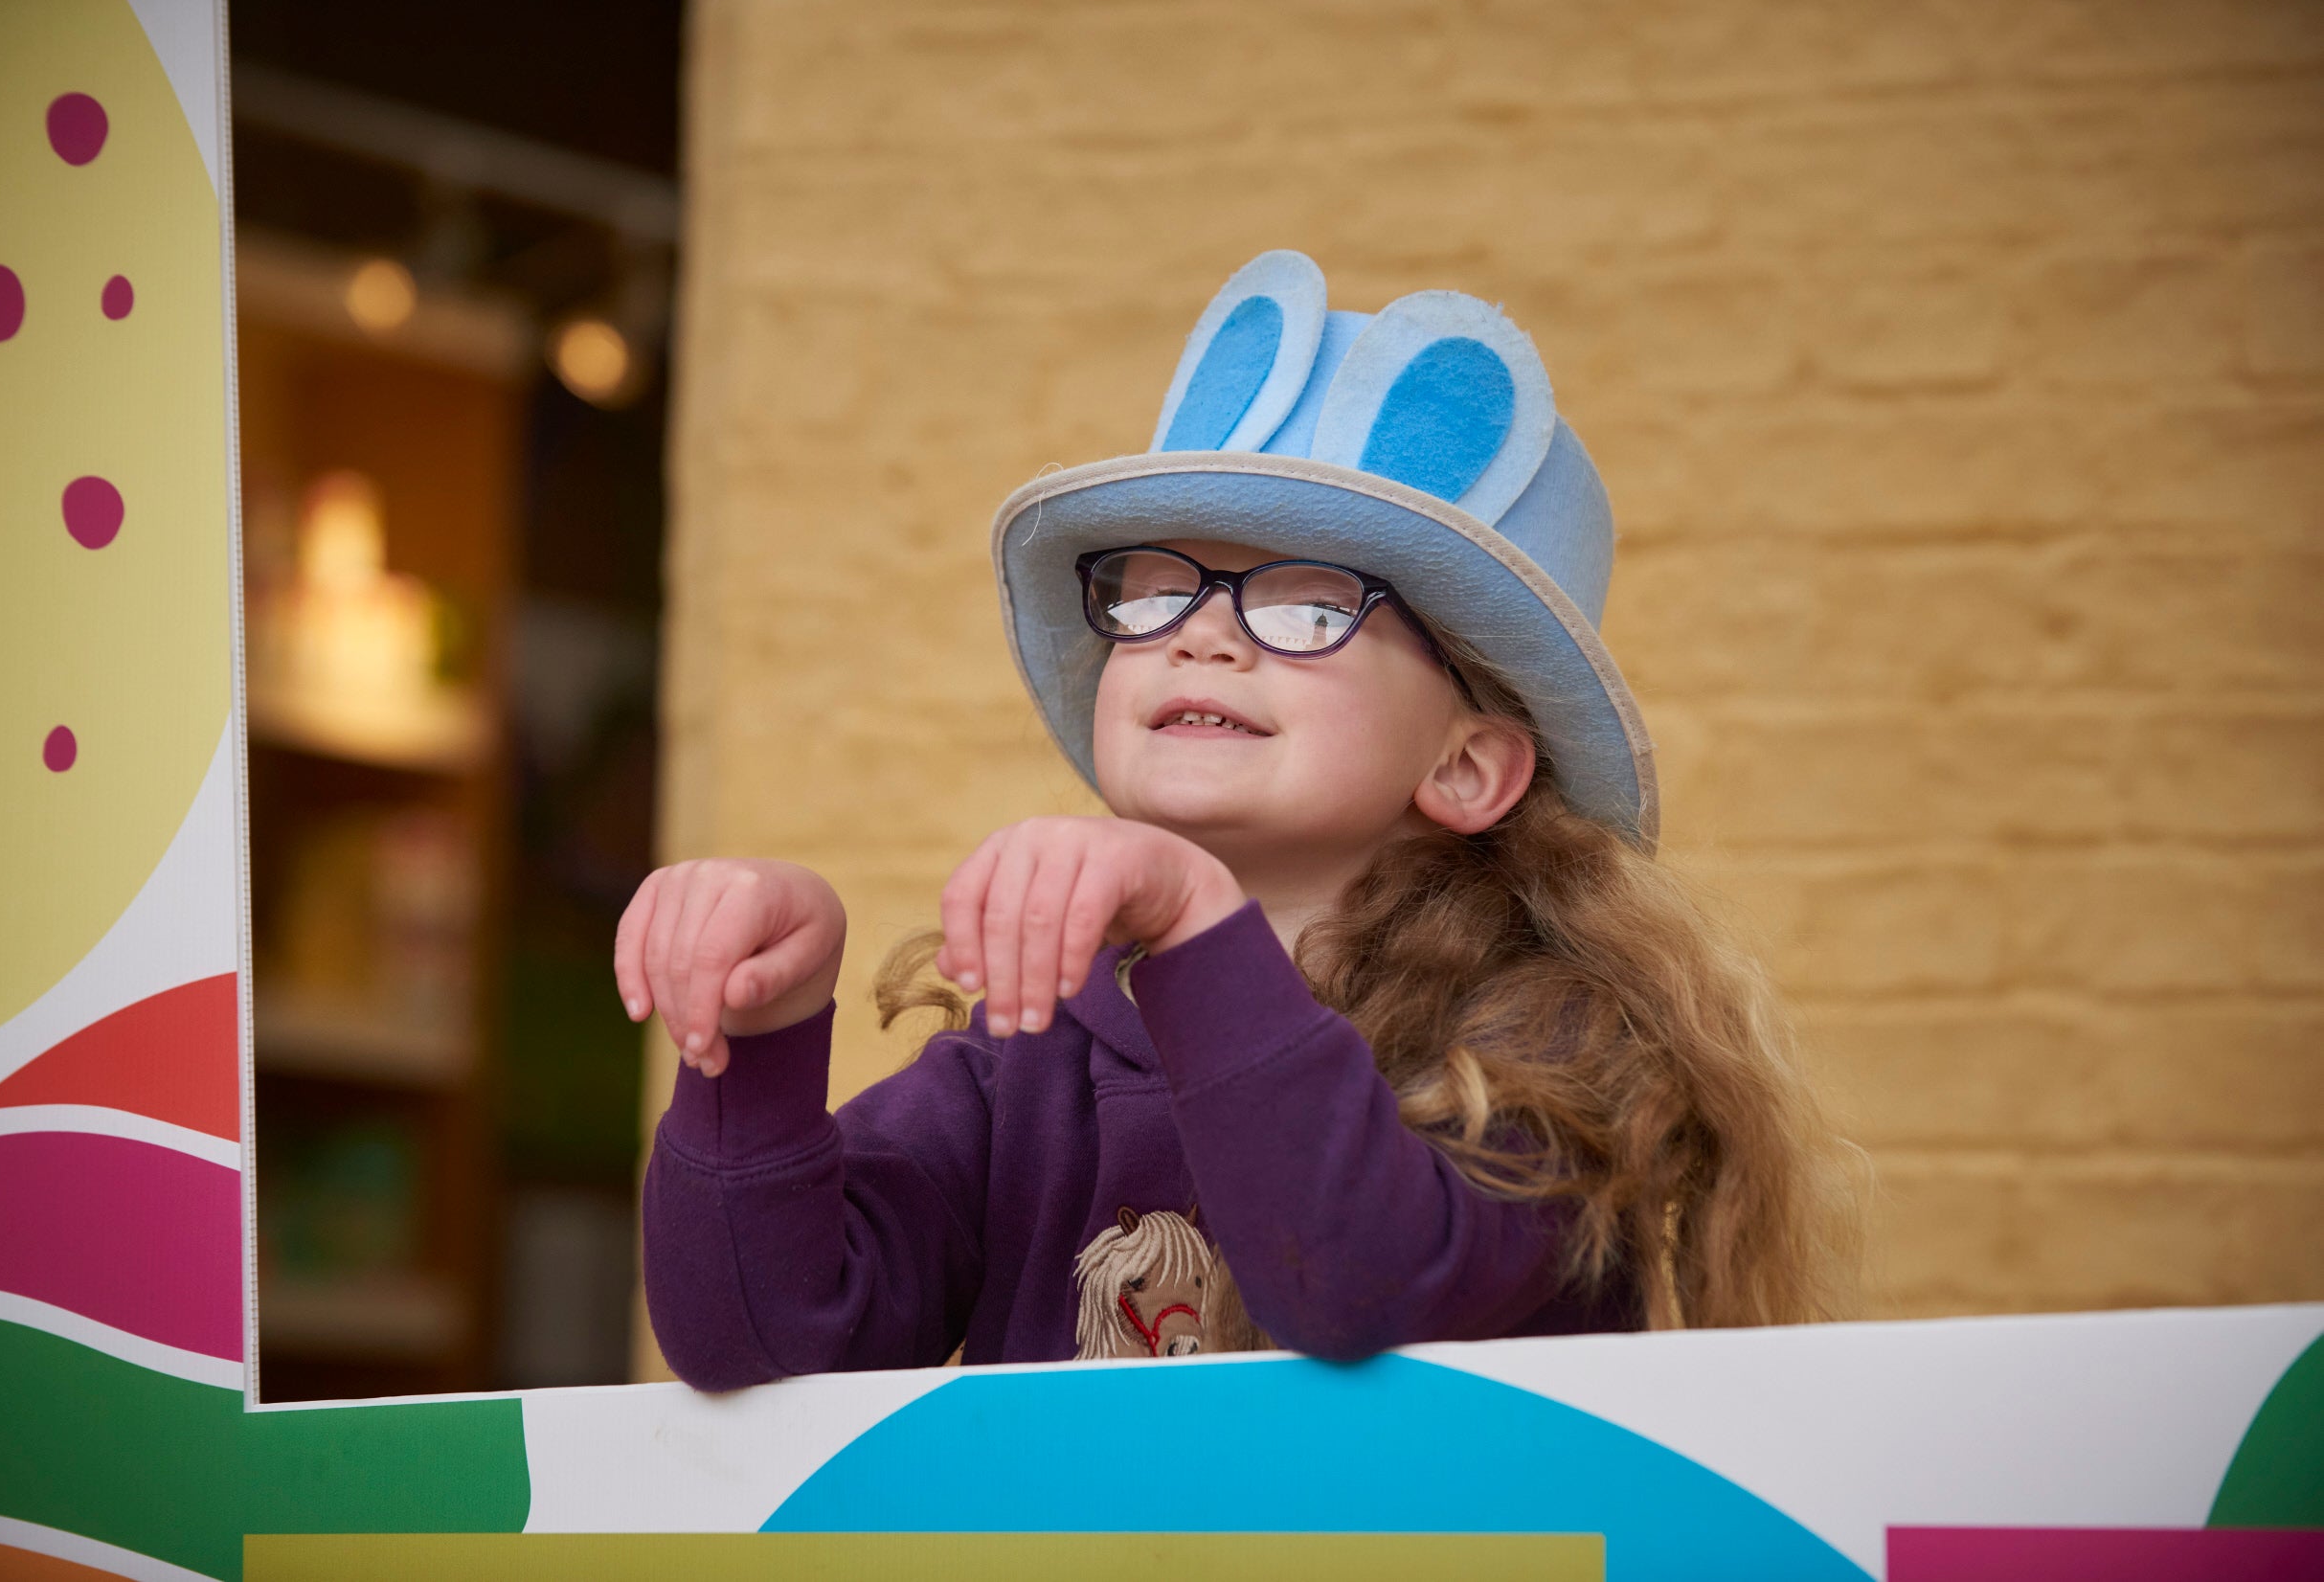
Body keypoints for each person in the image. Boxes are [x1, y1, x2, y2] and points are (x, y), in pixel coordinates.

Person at [620, 251, 1857, 1389]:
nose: (1200, 631)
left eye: (1312, 606)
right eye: (1153, 594)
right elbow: (764, 1342)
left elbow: (1361, 1287)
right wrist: (762, 1043)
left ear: (1471, 767)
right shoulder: (1027, 1055)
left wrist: (1194, 919)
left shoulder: (1551, 1042)